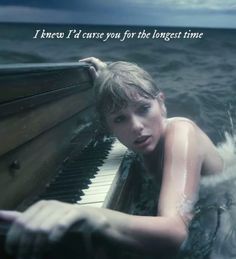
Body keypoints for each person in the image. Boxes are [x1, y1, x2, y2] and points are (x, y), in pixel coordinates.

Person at [0, 57, 224, 259]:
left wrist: (89, 214)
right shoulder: (143, 135)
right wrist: (107, 73)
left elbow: (176, 234)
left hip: (224, 196)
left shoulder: (182, 132)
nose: (136, 126)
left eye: (144, 109)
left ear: (162, 103)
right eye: (120, 119)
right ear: (108, 126)